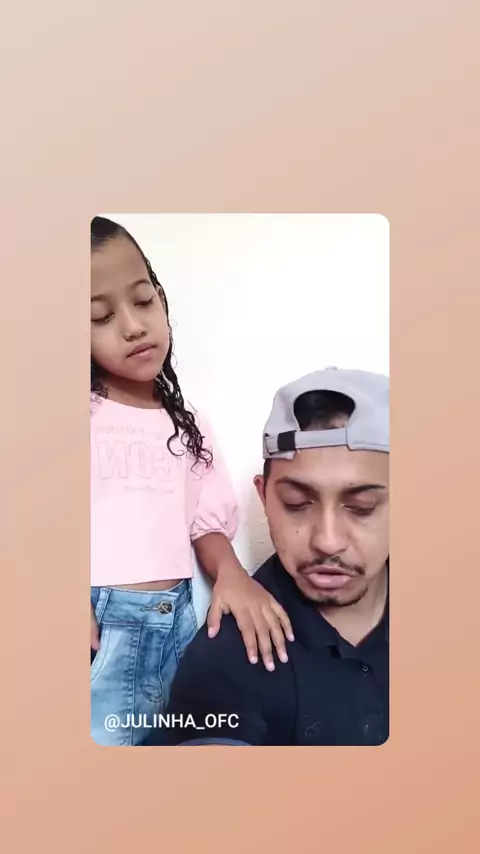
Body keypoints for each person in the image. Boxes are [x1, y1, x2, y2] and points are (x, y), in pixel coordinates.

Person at [90, 216, 293, 746]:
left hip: (177, 627)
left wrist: (233, 575)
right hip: (100, 636)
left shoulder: (188, 424)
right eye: (99, 316)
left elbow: (204, 524)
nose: (133, 326)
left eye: (143, 301)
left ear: (160, 298)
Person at [152, 367, 389, 746]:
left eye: (362, 507)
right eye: (296, 503)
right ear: (264, 497)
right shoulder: (227, 658)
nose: (327, 542)